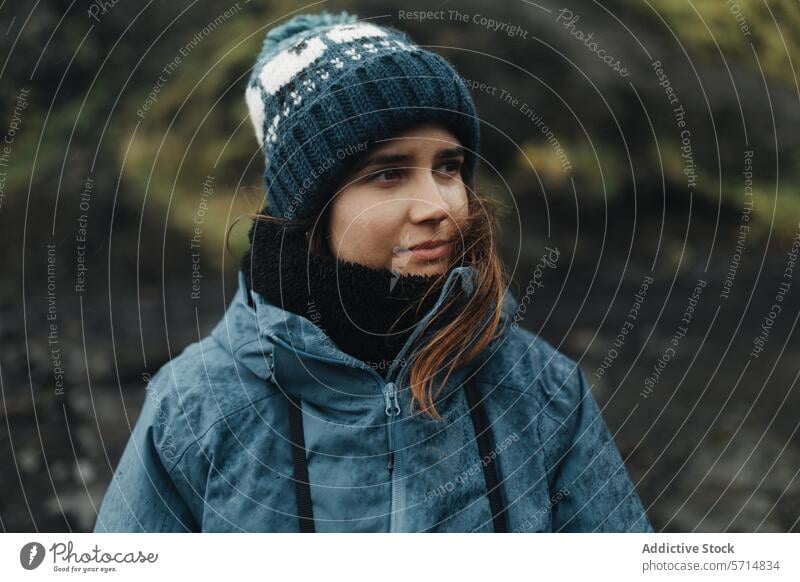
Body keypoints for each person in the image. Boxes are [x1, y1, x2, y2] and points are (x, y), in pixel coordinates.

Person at [93, 11, 652, 533]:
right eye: (388, 174)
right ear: (312, 210)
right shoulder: (195, 409)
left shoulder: (541, 388)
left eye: (448, 167)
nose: (437, 204)